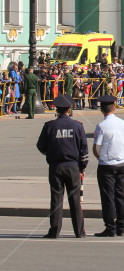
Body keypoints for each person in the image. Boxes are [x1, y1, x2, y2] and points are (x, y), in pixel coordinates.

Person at [36, 95, 88, 238]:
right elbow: (83, 149)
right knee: (75, 200)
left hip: (56, 167)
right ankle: (79, 231)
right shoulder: (78, 126)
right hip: (72, 167)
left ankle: (54, 230)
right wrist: (82, 167)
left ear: (56, 109)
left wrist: (51, 153)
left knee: (56, 199)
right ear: (69, 109)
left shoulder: (49, 126)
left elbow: (40, 146)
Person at [93, 95, 124, 237]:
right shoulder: (123, 123)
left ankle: (110, 226)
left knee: (107, 196)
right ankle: (121, 225)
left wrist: (100, 157)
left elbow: (96, 148)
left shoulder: (101, 126)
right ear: (114, 108)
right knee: (120, 194)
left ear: (101, 110)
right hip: (121, 162)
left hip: (106, 164)